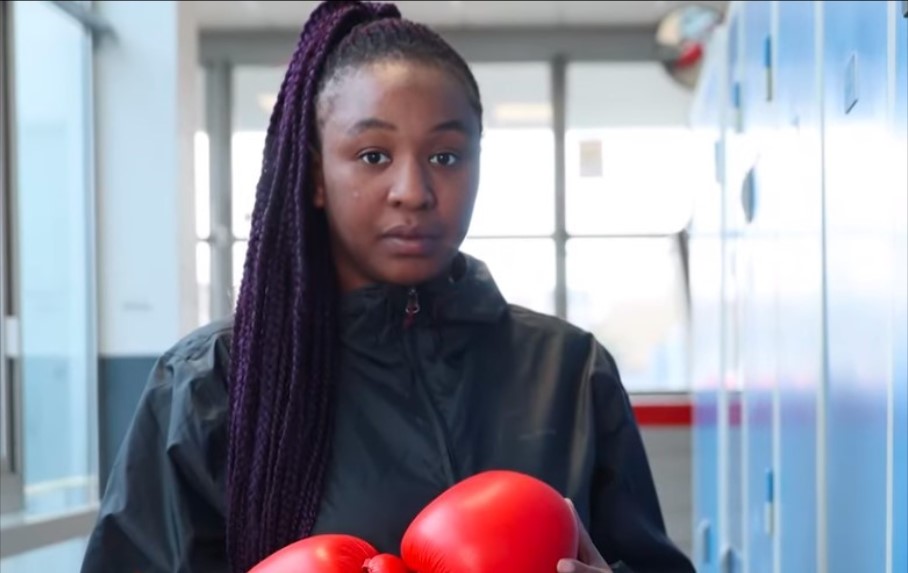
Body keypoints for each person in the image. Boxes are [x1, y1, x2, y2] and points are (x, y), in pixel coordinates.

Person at [80, 2, 695, 572]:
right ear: (315, 176)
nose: (414, 190)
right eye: (373, 155)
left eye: (447, 156)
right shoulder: (210, 382)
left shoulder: (568, 370)